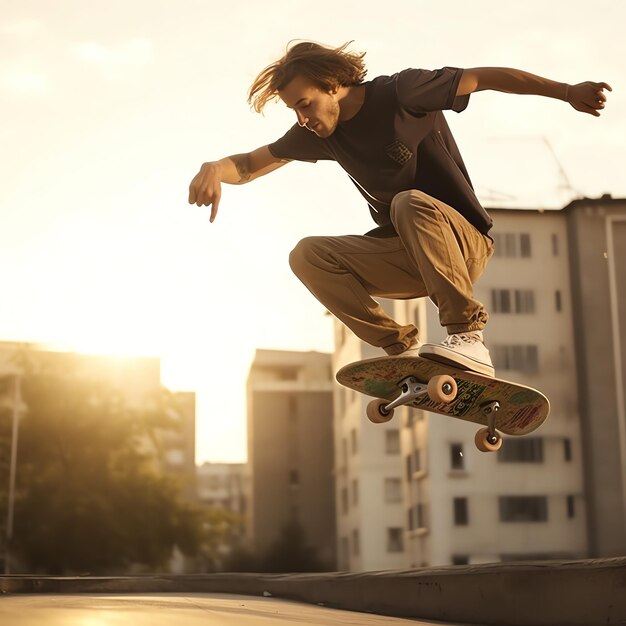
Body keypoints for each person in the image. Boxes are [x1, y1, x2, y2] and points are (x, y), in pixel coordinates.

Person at [188, 41, 611, 377]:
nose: (302, 119)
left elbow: (484, 77)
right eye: (293, 110)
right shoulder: (319, 133)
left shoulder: (402, 92)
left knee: (409, 203)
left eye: (304, 104)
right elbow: (247, 164)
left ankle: (468, 336)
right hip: (408, 256)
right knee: (308, 255)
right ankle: (401, 349)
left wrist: (567, 91)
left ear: (333, 83)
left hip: (464, 244)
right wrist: (213, 168)